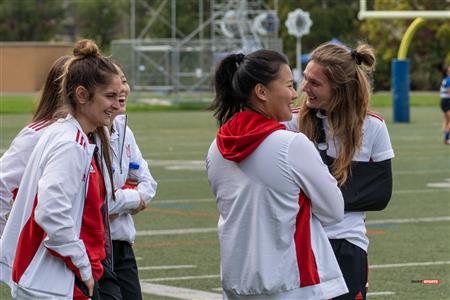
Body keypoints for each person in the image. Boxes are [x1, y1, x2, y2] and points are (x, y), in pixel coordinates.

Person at [206, 50, 348, 299]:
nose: (295, 94)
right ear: (261, 92)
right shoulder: (292, 145)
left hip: (237, 282)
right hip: (292, 282)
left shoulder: (215, 148)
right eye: (289, 85)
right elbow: (334, 210)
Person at [0, 39, 121, 299]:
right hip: (52, 282)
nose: (117, 103)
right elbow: (51, 211)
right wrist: (83, 267)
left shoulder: (66, 134)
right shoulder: (69, 143)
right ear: (81, 95)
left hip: (47, 279)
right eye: (109, 96)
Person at [287, 42, 395, 300]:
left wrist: (313, 194)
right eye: (304, 79)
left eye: (314, 83)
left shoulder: (374, 127)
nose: (304, 88)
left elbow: (380, 195)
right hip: (298, 242)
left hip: (347, 243)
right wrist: (337, 192)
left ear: (340, 89)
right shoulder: (290, 122)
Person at [0, 55, 69, 238]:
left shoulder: (94, 134)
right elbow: (2, 183)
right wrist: (7, 245)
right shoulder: (36, 135)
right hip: (43, 252)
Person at [107, 65, 157, 299]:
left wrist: (125, 198)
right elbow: (99, 202)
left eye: (124, 81)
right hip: (95, 246)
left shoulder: (125, 130)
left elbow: (148, 184)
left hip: (123, 244)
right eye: (113, 87)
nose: (122, 89)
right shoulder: (84, 135)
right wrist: (129, 198)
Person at [440, 66, 450, 144]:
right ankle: (446, 139)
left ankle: (445, 137)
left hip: (443, 101)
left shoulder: (445, 79)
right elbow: (449, 91)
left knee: (446, 119)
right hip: (447, 101)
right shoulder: (449, 80)